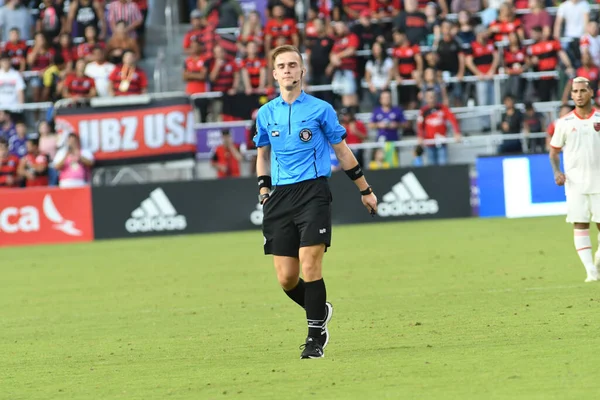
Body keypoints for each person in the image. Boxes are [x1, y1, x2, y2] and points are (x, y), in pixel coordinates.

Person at [254, 45, 378, 359]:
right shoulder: (266, 113)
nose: (287, 70)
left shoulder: (321, 109)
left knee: (311, 265)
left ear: (302, 71)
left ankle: (314, 338)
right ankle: (321, 311)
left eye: (292, 65)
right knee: (286, 278)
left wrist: (365, 190)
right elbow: (262, 155)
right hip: (280, 197)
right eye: (281, 66)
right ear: (274, 73)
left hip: (313, 192)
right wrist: (263, 192)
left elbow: (342, 152)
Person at [549, 77, 600, 282]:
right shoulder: (563, 123)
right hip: (575, 184)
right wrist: (556, 172)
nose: (578, 95)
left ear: (590, 93)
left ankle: (597, 259)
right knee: (580, 224)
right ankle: (590, 271)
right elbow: (553, 153)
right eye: (575, 92)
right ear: (571, 95)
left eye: (582, 91)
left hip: (599, 182)